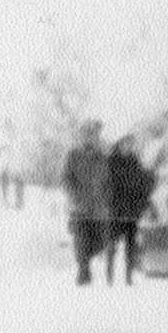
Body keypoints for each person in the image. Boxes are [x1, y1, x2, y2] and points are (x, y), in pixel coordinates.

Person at [62, 120, 110, 286]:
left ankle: (85, 263)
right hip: (79, 208)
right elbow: (66, 179)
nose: (91, 138)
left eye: (94, 135)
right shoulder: (73, 155)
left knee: (100, 243)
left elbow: (109, 181)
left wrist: (107, 200)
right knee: (81, 240)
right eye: (87, 135)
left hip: (99, 210)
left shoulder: (103, 157)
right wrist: (75, 197)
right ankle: (83, 272)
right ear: (82, 137)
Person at [104, 135, 154, 286]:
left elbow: (143, 187)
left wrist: (146, 206)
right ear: (119, 144)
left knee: (130, 247)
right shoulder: (110, 162)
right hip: (115, 212)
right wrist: (108, 204)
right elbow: (104, 186)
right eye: (125, 143)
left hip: (132, 212)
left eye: (130, 144)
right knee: (111, 246)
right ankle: (109, 277)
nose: (128, 146)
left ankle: (128, 278)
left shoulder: (135, 162)